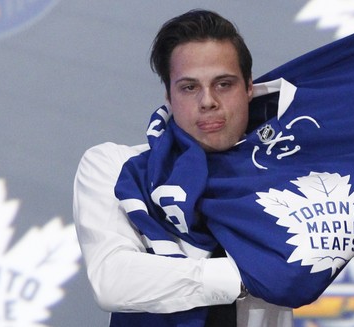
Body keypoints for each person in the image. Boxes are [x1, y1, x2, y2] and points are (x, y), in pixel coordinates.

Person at [73, 9, 293, 327]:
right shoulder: (118, 166)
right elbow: (114, 279)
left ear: (249, 89)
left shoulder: (289, 175)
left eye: (224, 84)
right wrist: (251, 276)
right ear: (169, 97)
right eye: (189, 87)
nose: (208, 101)